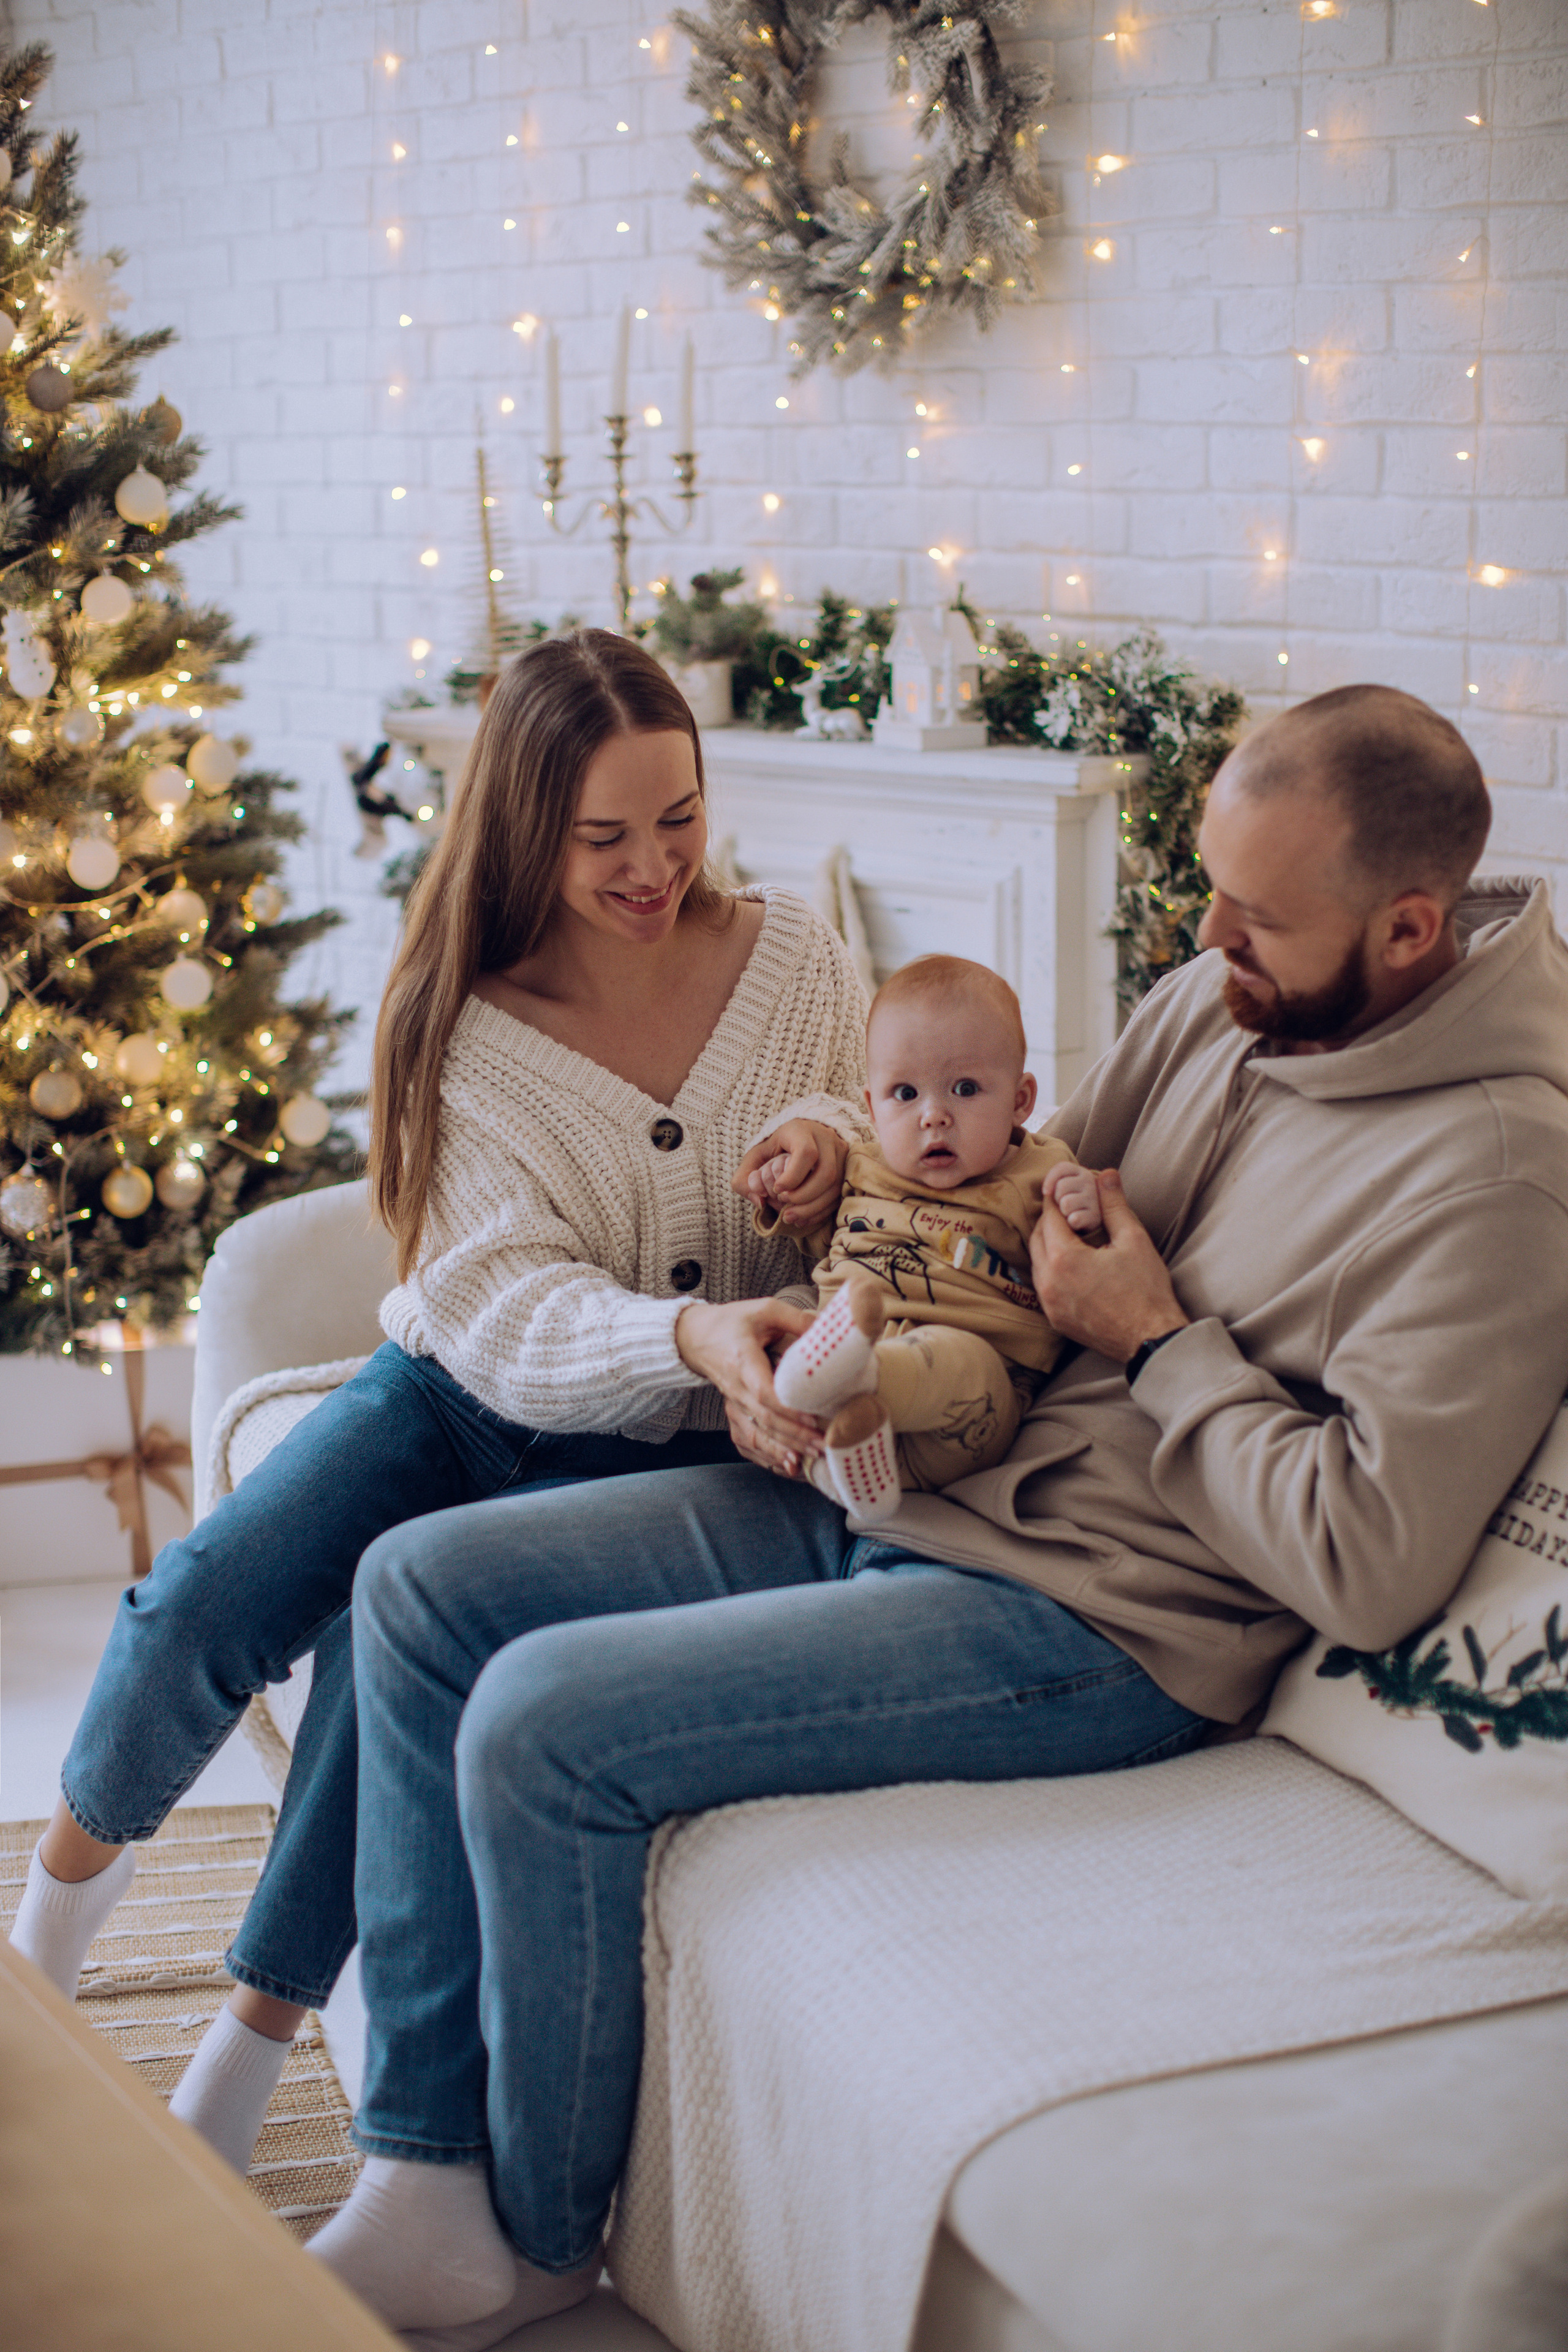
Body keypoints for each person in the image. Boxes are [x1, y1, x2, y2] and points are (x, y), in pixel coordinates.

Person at [312, 679, 1568, 2347]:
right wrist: (854, 1176)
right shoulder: (1235, 1000)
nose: (1204, 940)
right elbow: (1005, 1174)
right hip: (936, 1483)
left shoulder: (1496, 1172)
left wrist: (1161, 1343)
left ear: (1410, 930)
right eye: (1211, 888)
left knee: (544, 1722)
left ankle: (532, 2246)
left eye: (1252, 916)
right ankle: (421, 2163)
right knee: (416, 1591)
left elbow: (1368, 1560)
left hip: (1109, 1619)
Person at [7, 629, 870, 2173]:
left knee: (369, 1671)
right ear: (526, 824)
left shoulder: (797, 955)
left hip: (639, 1451)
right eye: (603, 834)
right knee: (205, 1593)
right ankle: (39, 1957)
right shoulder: (465, 1019)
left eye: (676, 815)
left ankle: (238, 2066)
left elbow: (864, 1112)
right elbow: (504, 1300)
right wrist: (687, 1332)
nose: (652, 864)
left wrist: (821, 1135)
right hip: (464, 1386)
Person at [754, 954, 1105, 1520]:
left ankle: (858, 1377)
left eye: (965, 1089)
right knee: (781, 1345)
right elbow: (817, 1237)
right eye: (906, 1094)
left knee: (960, 1362)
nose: (934, 1116)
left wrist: (1085, 1211)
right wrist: (782, 1195)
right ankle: (842, 1453)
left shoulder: (1036, 1173)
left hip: (969, 1409)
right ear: (872, 1107)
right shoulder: (861, 1169)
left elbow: (1084, 1265)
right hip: (849, 1429)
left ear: (1021, 1101)